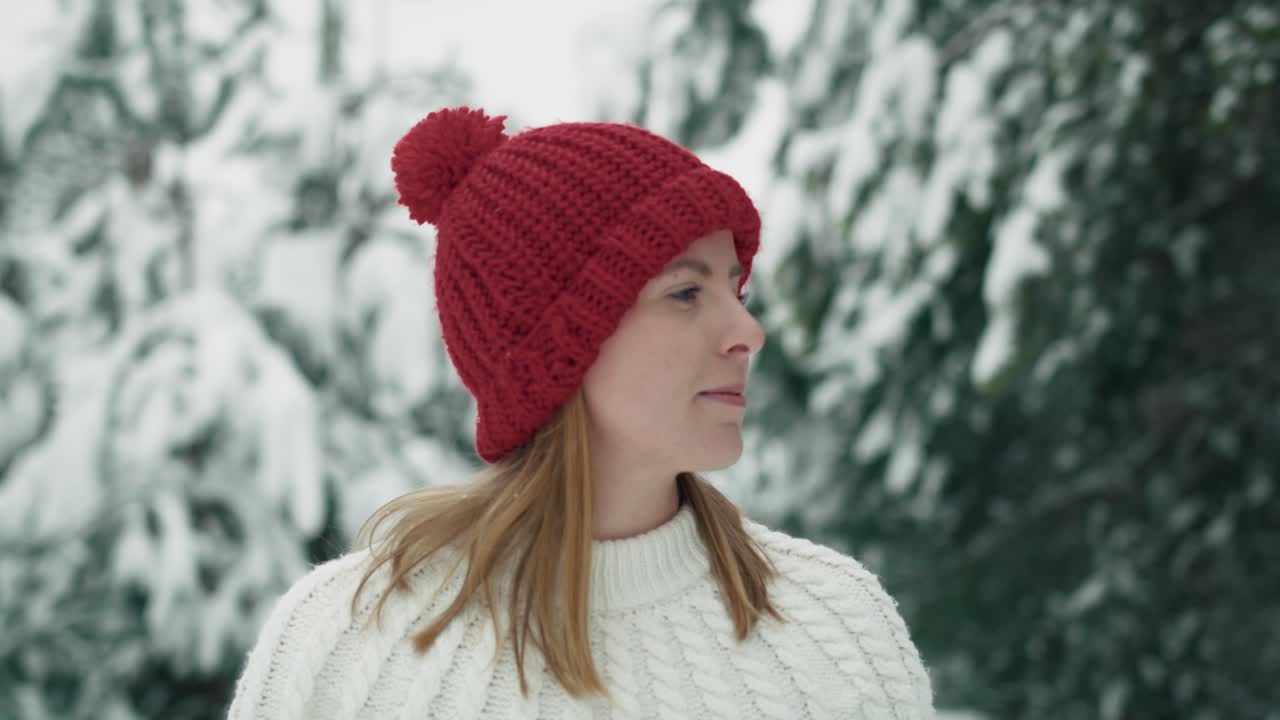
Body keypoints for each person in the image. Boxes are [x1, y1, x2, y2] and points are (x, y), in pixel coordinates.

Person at [226, 106, 934, 719]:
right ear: (558, 346)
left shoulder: (837, 625)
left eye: (734, 288)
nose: (748, 333)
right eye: (685, 294)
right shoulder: (349, 639)